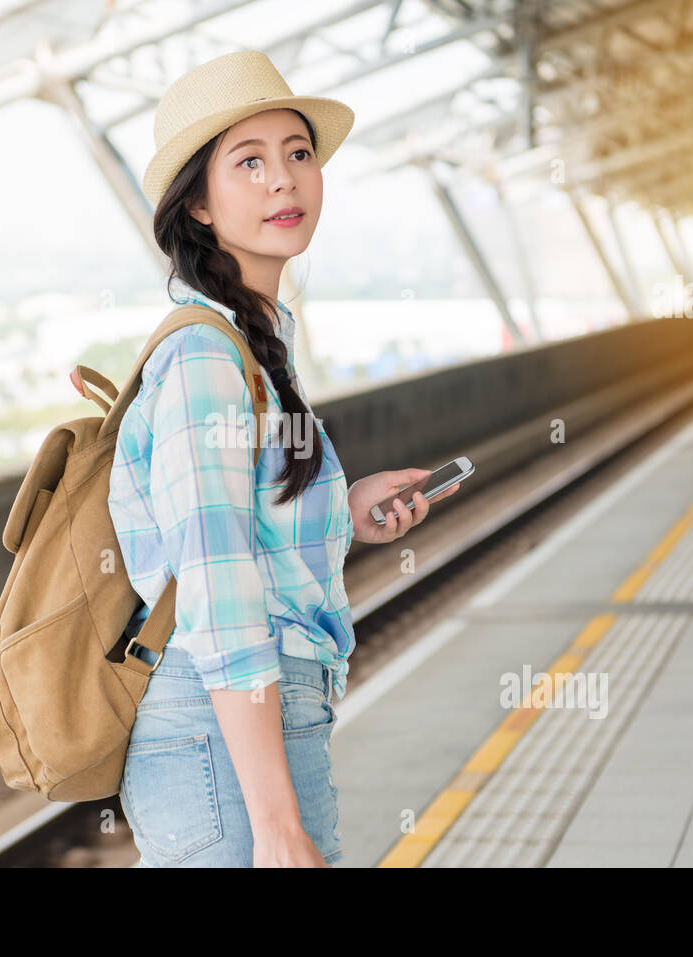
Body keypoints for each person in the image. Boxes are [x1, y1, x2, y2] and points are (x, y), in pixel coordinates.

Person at [106, 50, 461, 867]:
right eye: (250, 161)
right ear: (196, 202)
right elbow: (221, 590)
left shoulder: (254, 343)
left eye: (298, 153)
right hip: (221, 736)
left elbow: (250, 543)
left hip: (242, 729)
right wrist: (275, 822)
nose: (284, 181)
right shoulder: (205, 359)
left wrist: (345, 507)